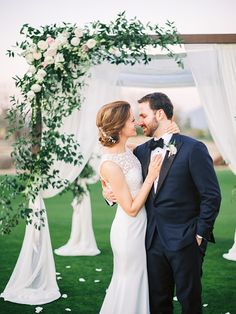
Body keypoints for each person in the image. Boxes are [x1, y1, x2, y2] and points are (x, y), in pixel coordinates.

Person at [103, 93, 221, 314]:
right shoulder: (140, 152)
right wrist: (108, 194)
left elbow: (211, 195)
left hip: (186, 240)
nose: (139, 122)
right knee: (157, 303)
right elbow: (124, 180)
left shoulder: (193, 149)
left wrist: (200, 235)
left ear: (159, 114)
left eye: (143, 115)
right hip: (150, 242)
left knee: (190, 303)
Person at [96, 100, 177, 314]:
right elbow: (130, 208)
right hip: (129, 230)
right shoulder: (110, 163)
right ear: (120, 125)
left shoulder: (129, 150)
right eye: (132, 119)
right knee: (130, 281)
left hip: (142, 227)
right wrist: (150, 176)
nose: (136, 123)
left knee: (140, 281)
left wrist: (172, 131)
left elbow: (157, 143)